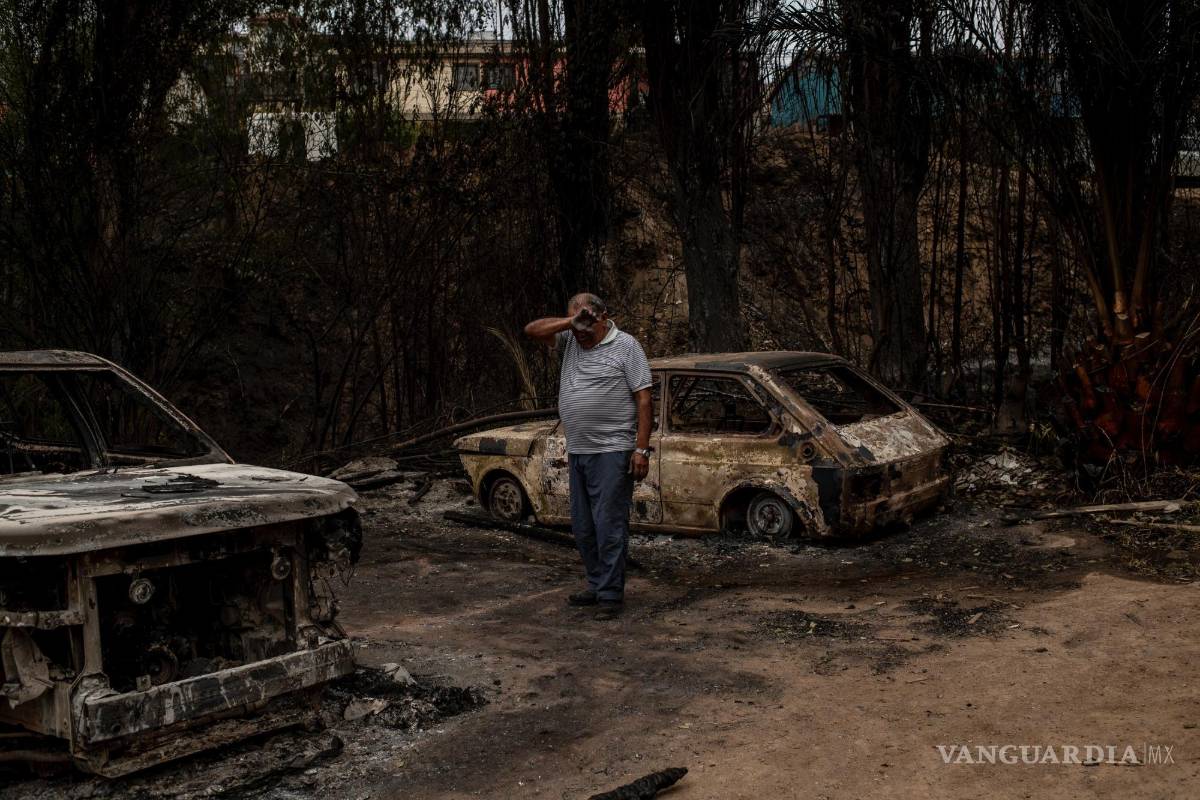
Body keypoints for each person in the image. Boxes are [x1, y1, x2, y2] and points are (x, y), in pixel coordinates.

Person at [524, 293, 653, 619]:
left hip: (613, 450)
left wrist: (640, 449)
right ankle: (597, 585)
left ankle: (610, 595)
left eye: (587, 322)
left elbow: (644, 400)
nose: (581, 331)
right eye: (575, 322)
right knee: (583, 527)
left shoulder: (626, 345)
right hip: (579, 448)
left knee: (609, 525)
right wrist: (572, 322)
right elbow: (531, 330)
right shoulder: (571, 338)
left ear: (604, 316)